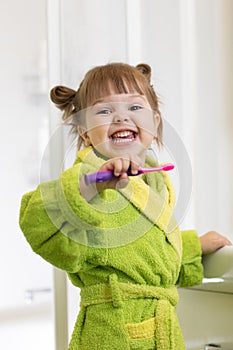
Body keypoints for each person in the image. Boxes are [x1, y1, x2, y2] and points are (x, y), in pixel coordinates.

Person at [19, 62, 231, 350]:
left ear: (155, 122)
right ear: (84, 133)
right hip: (113, 332)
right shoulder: (90, 183)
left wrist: (193, 247)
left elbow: (147, 260)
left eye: (134, 108)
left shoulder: (155, 182)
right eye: (105, 111)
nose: (121, 117)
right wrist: (92, 185)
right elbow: (39, 222)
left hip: (161, 330)